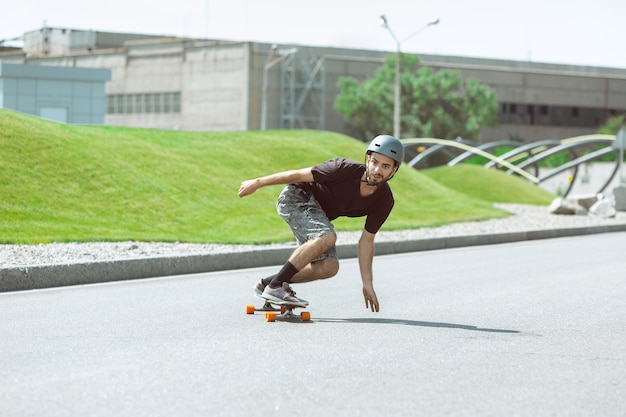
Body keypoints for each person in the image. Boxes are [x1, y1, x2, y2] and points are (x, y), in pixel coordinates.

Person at [237, 134, 404, 312]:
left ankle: (268, 284)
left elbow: (367, 240)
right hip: (296, 197)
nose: (377, 170)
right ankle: (277, 286)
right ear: (368, 159)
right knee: (327, 236)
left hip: (317, 214)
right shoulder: (343, 168)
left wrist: (367, 283)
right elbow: (298, 174)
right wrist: (257, 182)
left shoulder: (384, 200)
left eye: (385, 166)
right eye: (374, 162)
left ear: (394, 170)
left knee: (329, 267)